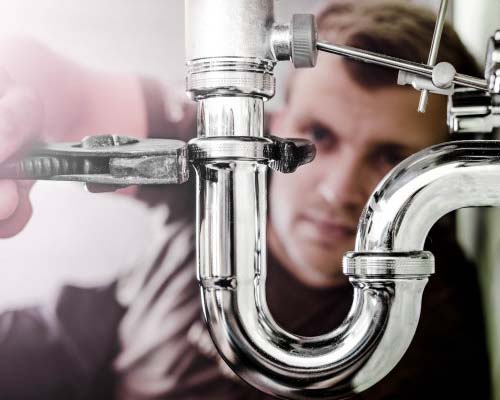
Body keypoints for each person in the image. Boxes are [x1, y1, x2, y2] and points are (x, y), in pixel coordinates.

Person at [0, 1, 492, 399]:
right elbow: (57, 87)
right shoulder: (228, 142)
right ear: (276, 122)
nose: (338, 190)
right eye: (319, 135)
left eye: (391, 158)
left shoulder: (439, 325)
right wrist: (13, 102)